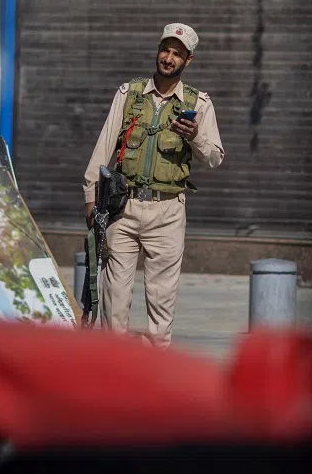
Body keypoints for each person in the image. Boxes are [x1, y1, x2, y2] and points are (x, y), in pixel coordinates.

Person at [82, 23, 225, 349]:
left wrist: (195, 136)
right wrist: (91, 198)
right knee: (112, 299)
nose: (168, 57)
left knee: (161, 302)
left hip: (168, 211)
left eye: (177, 53)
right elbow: (103, 148)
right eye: (165, 49)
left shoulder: (198, 103)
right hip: (123, 208)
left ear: (188, 60)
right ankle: (115, 371)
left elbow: (215, 156)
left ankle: (157, 377)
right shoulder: (129, 94)